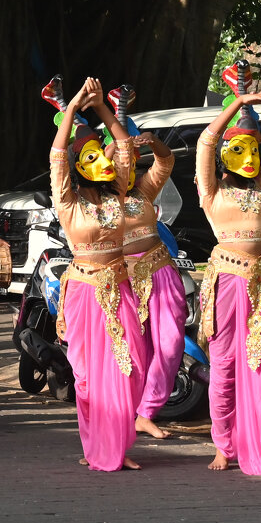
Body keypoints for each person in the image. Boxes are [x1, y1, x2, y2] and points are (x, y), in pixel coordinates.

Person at [47, 77, 148, 471]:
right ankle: (100, 448)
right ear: (77, 168)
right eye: (90, 158)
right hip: (85, 293)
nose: (103, 162)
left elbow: (124, 148)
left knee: (130, 366)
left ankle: (118, 444)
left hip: (120, 288)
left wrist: (102, 109)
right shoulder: (68, 201)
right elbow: (57, 156)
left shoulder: (119, 193)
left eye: (100, 155)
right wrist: (71, 108)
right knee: (89, 377)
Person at [195, 85, 261, 475]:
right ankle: (224, 445)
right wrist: (238, 103)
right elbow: (206, 141)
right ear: (224, 162)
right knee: (225, 368)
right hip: (225, 286)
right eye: (241, 150)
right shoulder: (212, 192)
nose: (252, 158)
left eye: (254, 149)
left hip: (260, 282)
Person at [102, 87, 184, 440]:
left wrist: (150, 142)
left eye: (130, 160)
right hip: (120, 278)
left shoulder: (144, 191)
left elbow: (166, 162)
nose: (127, 165)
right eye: (121, 160)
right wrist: (116, 144)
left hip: (159, 271)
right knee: (131, 351)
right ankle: (127, 412)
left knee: (170, 344)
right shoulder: (94, 198)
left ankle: (147, 411)